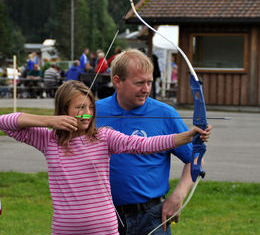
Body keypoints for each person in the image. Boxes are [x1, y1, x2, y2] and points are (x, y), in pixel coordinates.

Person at [0, 80, 211, 235]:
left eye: (91, 107)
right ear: (64, 110)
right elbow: (5, 122)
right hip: (65, 229)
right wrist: (48, 121)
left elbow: (144, 144)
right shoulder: (49, 139)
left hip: (103, 229)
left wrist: (187, 136)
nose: (88, 113)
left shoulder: (103, 137)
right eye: (80, 107)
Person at [95, 49, 210, 235]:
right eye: (139, 83)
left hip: (151, 217)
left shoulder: (165, 114)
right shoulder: (93, 112)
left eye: (149, 82)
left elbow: (196, 158)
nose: (146, 89)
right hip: (103, 215)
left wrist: (178, 196)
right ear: (117, 81)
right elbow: (71, 125)